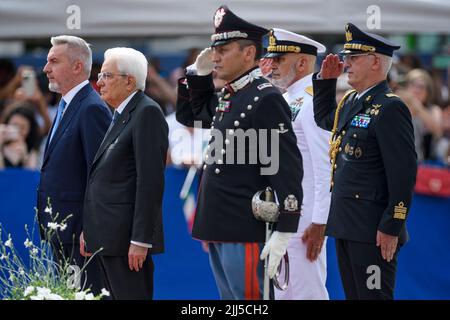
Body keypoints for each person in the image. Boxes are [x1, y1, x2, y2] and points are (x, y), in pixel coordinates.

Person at [176, 5, 303, 300]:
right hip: (220, 222)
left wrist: (286, 228)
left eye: (224, 49)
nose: (216, 56)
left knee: (249, 300)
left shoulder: (264, 98)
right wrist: (197, 73)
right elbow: (190, 115)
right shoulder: (233, 95)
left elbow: (286, 167)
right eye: (214, 49)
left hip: (244, 225)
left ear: (248, 54)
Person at [312, 23, 417, 299]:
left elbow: (403, 174)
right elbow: (326, 122)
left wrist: (392, 225)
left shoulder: (390, 107)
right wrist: (324, 83)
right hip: (347, 223)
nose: (346, 63)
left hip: (373, 229)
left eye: (353, 58)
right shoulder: (351, 100)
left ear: (374, 62)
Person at [80, 47, 168, 300]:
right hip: (107, 237)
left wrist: (141, 240)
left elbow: (150, 182)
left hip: (126, 241)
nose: (99, 82)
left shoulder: (146, 112)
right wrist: (91, 228)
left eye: (106, 75)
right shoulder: (120, 114)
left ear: (129, 81)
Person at [37, 35, 111, 294]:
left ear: (78, 67)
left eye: (54, 61)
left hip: (80, 235)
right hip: (62, 231)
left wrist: (89, 229)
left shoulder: (91, 108)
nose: (46, 68)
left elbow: (101, 175)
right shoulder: (68, 105)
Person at [263, 28, 330, 300]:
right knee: (283, 293)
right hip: (284, 212)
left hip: (305, 219)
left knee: (307, 292)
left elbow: (325, 166)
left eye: (279, 60)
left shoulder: (313, 102)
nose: (273, 66)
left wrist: (320, 222)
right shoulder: (287, 98)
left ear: (302, 63)